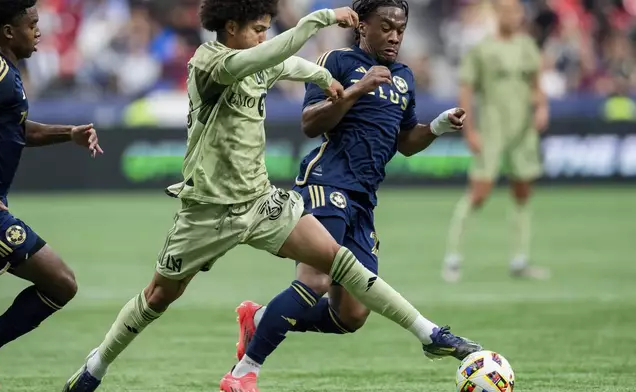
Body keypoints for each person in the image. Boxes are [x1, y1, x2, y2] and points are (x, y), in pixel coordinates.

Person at [62, 1, 478, 392]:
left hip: (261, 202)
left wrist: (321, 78)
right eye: (258, 29)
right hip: (206, 211)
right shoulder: (210, 62)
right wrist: (320, 21)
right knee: (157, 297)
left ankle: (428, 333)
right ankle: (96, 366)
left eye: (266, 30)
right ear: (231, 27)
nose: (264, 37)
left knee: (337, 261)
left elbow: (283, 62)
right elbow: (266, 58)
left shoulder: (272, 61)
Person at [225, 0, 482, 390]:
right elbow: (310, 122)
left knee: (352, 315)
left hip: (363, 200)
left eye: (401, 28)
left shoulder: (404, 78)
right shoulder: (339, 62)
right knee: (315, 281)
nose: (395, 36)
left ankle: (259, 319)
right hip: (326, 182)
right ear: (362, 26)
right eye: (386, 27)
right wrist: (356, 90)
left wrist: (439, 127)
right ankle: (243, 375)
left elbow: (405, 142)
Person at [0, 0, 103, 390]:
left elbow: (16, 130)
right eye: (32, 24)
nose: (39, 31)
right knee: (60, 282)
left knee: (59, 283)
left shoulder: (7, 72)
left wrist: (66, 133)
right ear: (8, 31)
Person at [442, 0, 550, 283]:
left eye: (516, 11)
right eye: (506, 11)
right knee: (479, 192)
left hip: (522, 131)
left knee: (523, 192)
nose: (512, 16)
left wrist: (541, 108)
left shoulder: (527, 46)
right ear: (497, 15)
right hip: (492, 130)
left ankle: (520, 260)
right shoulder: (482, 49)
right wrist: (469, 130)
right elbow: (466, 89)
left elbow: (537, 85)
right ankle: (452, 257)